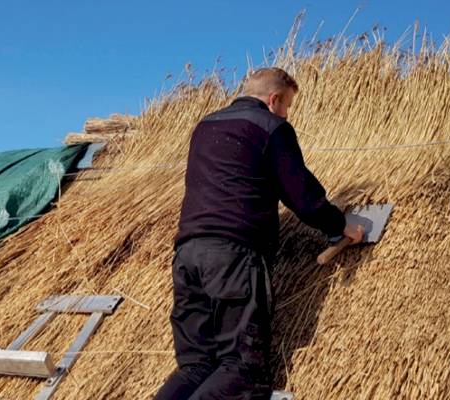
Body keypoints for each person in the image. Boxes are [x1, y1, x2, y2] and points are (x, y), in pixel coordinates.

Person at [155, 67, 364, 400]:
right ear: (274, 99)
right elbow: (301, 195)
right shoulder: (271, 127)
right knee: (241, 370)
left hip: (187, 255)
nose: (286, 113)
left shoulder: (205, 127)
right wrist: (340, 225)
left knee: (194, 367)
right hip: (232, 258)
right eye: (288, 106)